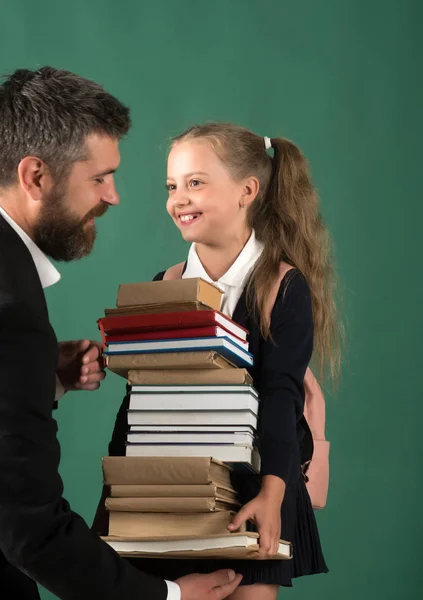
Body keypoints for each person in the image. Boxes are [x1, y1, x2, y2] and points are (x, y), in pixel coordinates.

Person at [0, 69, 242, 600]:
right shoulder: (13, 305)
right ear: (36, 176)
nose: (113, 197)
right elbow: (28, 529)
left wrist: (46, 378)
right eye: (99, 177)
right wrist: (171, 598)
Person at [105, 123, 342, 599]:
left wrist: (273, 494)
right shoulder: (166, 281)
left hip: (255, 478)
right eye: (172, 186)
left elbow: (281, 395)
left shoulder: (282, 286)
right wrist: (121, 491)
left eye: (196, 182)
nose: (179, 199)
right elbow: (143, 394)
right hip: (172, 482)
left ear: (247, 191)